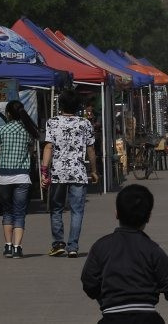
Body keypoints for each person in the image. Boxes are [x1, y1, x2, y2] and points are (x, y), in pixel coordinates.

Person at [81, 185, 168, 323]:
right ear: (148, 217)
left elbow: (89, 280)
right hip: (147, 317)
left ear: (116, 213)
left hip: (112, 316)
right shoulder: (152, 249)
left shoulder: (100, 247)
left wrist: (105, 298)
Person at [41, 88, 98, 258]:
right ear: (78, 105)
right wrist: (94, 171)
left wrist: (44, 171)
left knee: (56, 208)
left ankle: (58, 243)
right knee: (77, 211)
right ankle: (73, 246)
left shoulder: (52, 122)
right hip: (78, 173)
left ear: (61, 104)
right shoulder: (85, 123)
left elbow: (48, 147)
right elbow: (91, 149)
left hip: (58, 172)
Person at [0, 99, 40, 258]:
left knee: (7, 211)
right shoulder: (28, 131)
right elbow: (31, 152)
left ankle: (7, 246)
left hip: (4, 176)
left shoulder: (0, 130)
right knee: (20, 213)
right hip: (22, 177)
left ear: (7, 114)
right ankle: (17, 248)